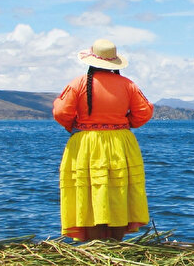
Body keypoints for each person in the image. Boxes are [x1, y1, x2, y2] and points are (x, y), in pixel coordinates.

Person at [53, 39, 154, 241]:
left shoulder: (78, 84)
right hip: (120, 143)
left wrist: (74, 126)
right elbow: (144, 111)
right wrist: (124, 123)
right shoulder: (128, 85)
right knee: (117, 191)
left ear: (90, 61)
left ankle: (94, 245)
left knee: (90, 191)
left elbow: (61, 112)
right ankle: (115, 243)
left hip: (86, 144)